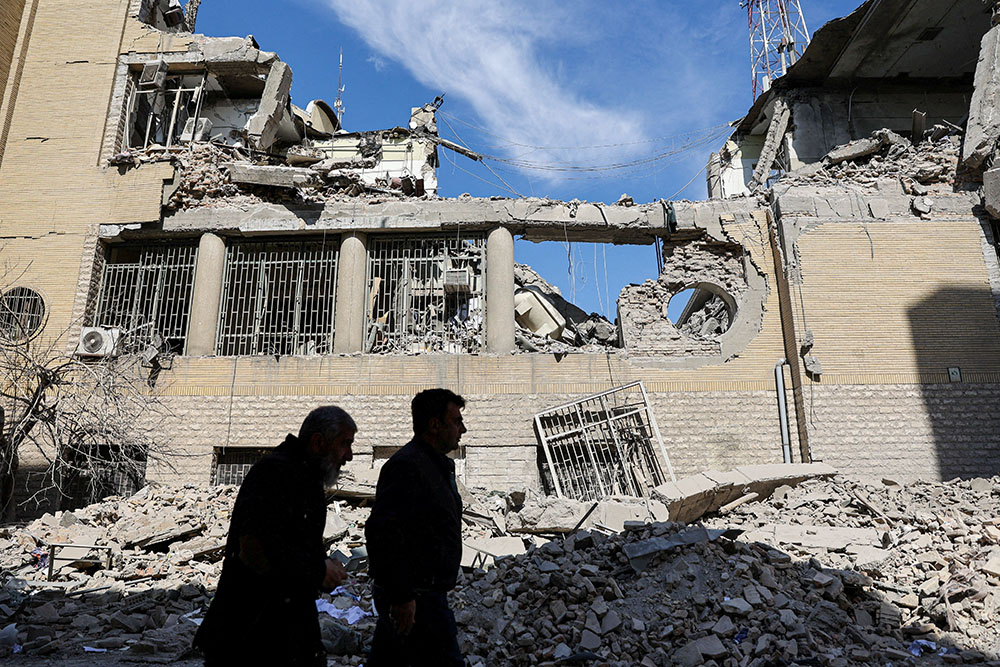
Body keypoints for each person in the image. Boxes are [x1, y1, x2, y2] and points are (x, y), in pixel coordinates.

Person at [194, 406, 356, 666]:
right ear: (318, 442)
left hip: (284, 628)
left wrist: (322, 569)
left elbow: (290, 544)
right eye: (344, 444)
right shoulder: (276, 473)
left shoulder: (305, 476)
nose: (348, 455)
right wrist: (317, 571)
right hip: (252, 633)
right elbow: (254, 550)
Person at [365, 388, 467, 667]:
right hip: (417, 597)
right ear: (435, 425)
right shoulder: (408, 467)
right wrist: (402, 596)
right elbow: (383, 533)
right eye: (457, 421)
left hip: (423, 594)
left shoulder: (434, 466)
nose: (463, 429)